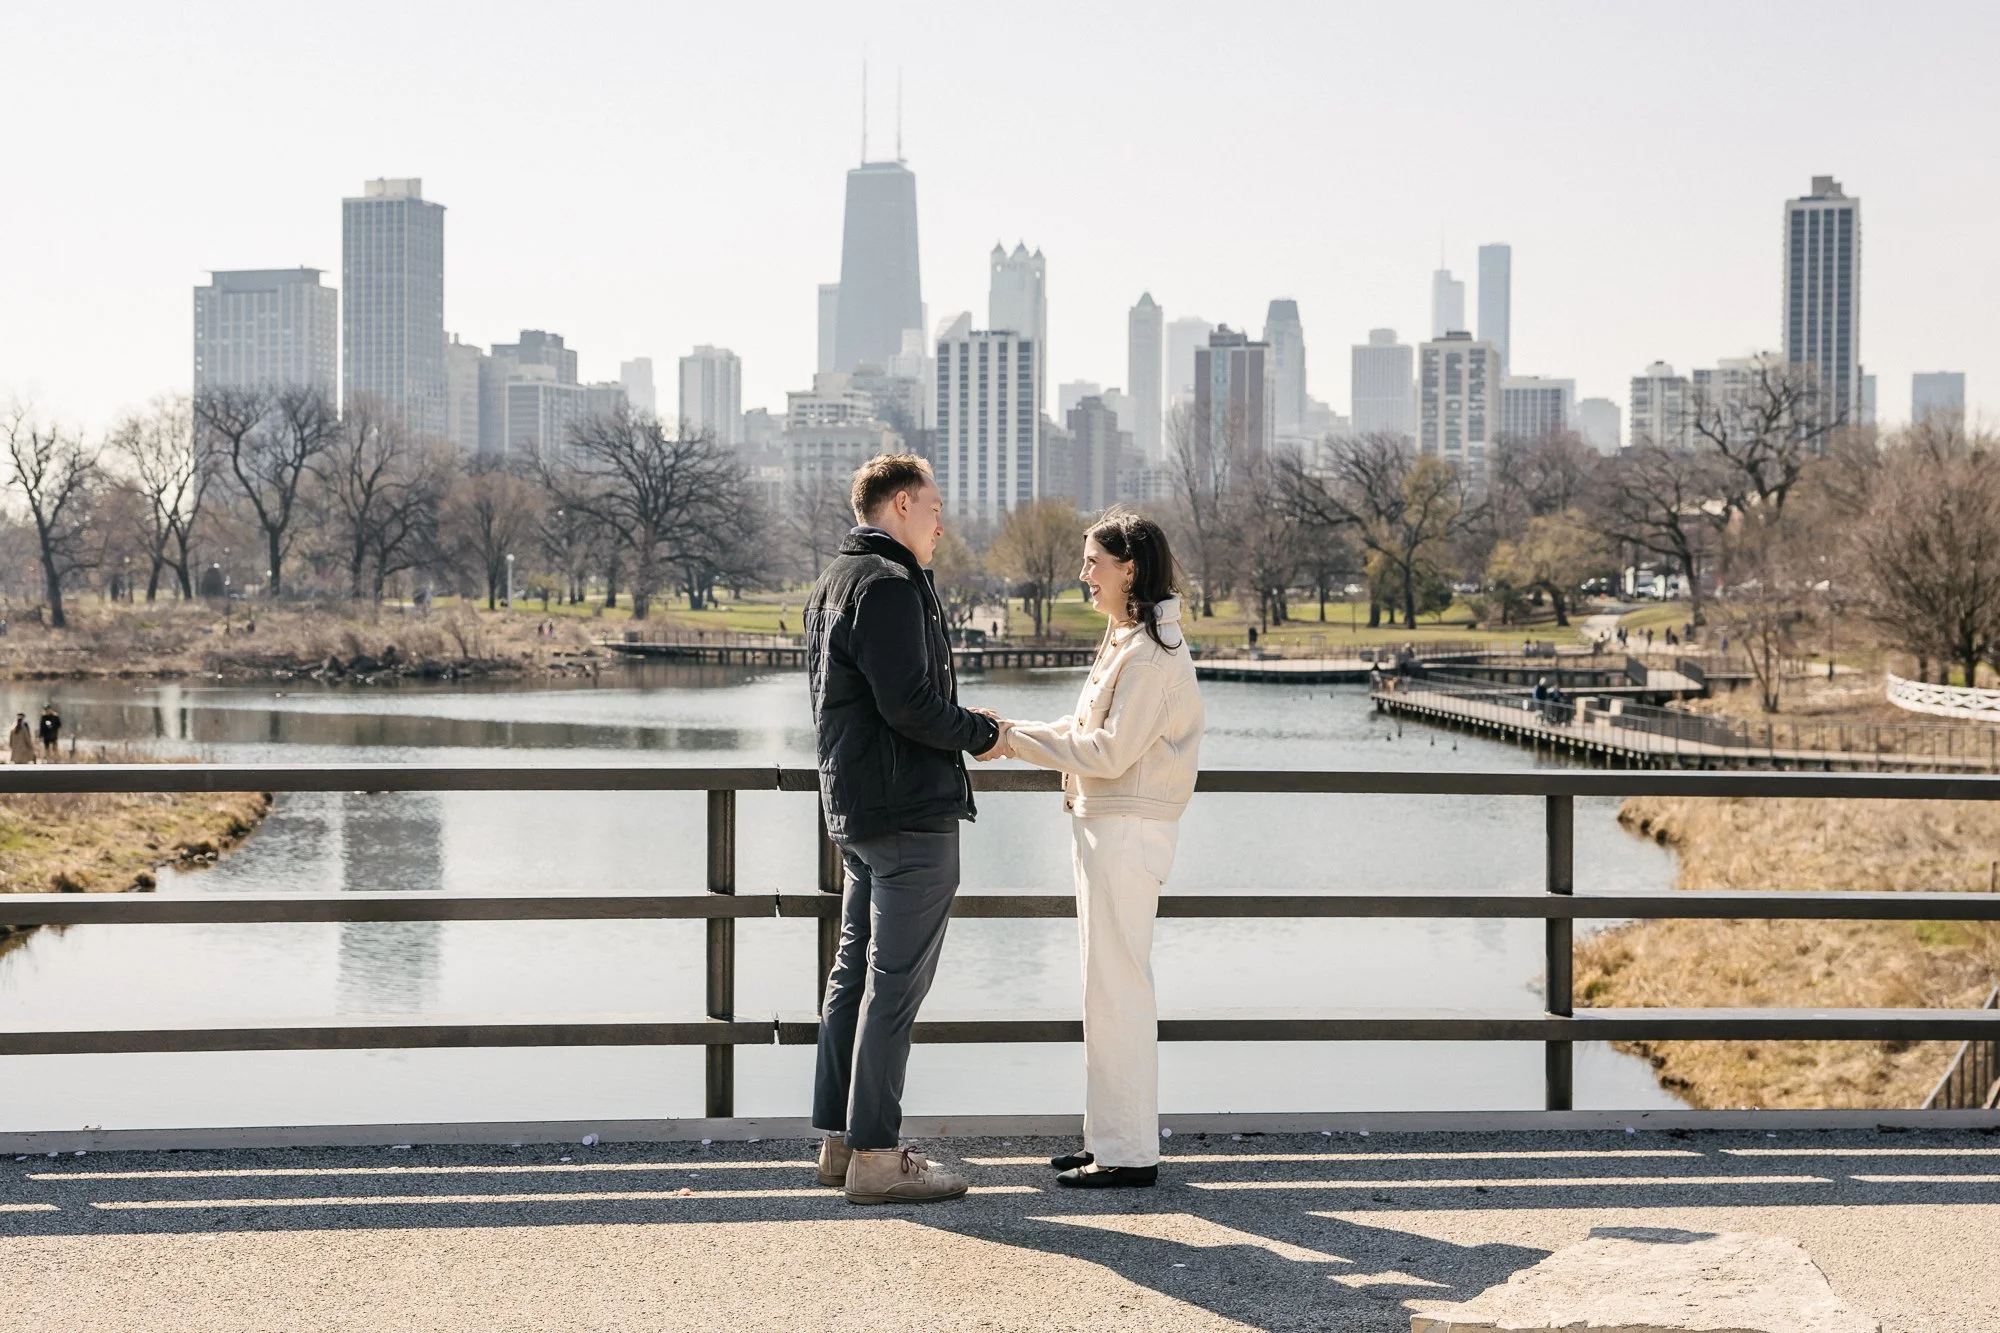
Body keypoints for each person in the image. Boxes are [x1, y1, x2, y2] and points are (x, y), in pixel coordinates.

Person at [981, 509, 1205, 1189]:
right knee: (1105, 991)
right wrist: (1015, 730)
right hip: (1107, 828)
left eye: (1092, 562)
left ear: (1128, 567)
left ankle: (1130, 1152)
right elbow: (1085, 731)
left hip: (1125, 832)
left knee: (1120, 992)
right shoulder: (1129, 641)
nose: (1083, 573)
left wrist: (1011, 738)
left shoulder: (1151, 654)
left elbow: (1107, 751)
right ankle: (1110, 1139)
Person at [806, 453, 1005, 1206]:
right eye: (931, 507)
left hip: (854, 811)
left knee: (852, 978)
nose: (940, 523)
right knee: (894, 989)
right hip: (908, 814)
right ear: (896, 505)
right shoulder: (889, 586)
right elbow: (911, 705)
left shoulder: (832, 582)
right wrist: (981, 731)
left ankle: (839, 1143)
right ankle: (880, 1156)